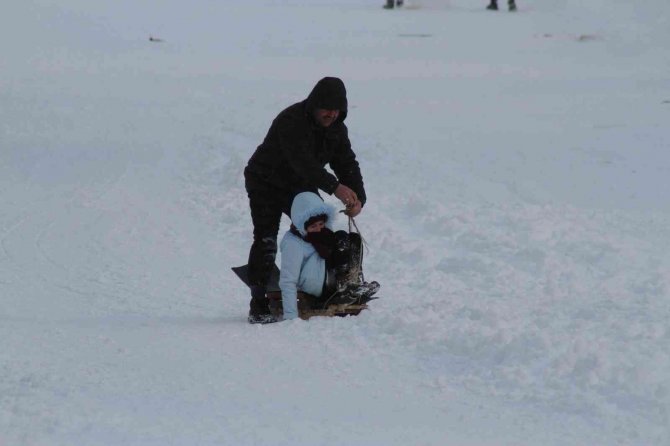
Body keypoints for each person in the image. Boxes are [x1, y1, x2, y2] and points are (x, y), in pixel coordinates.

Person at [243, 77, 367, 324]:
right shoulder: (291, 120)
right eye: (326, 108)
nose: (331, 114)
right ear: (314, 104)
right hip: (265, 180)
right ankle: (258, 302)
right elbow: (302, 162)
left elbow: (347, 164)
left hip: (299, 184)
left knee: (318, 231)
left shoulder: (337, 130)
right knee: (266, 238)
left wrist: (358, 198)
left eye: (336, 109)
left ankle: (325, 287)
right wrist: (334, 188)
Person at [279, 192, 380, 321]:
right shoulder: (293, 243)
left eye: (321, 224)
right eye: (313, 226)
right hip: (313, 284)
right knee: (338, 241)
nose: (319, 229)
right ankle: (344, 288)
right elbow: (288, 280)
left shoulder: (324, 232)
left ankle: (352, 282)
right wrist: (290, 316)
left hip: (327, 276)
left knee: (349, 238)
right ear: (302, 225)